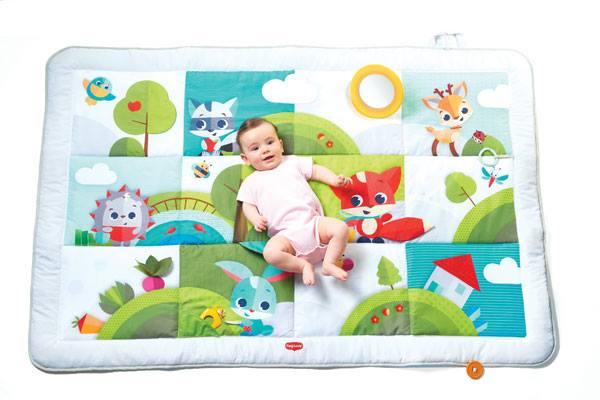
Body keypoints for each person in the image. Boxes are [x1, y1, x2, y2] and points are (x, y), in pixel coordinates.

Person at [236, 118, 351, 285]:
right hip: (285, 236)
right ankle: (302, 266)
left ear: (281, 145)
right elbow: (247, 204)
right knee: (270, 253)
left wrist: (333, 179)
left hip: (313, 224)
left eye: (270, 142)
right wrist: (255, 219)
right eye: (255, 148)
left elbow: (315, 171)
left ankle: (329, 263)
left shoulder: (292, 162)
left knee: (341, 228)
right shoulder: (251, 182)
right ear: (245, 158)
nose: (265, 150)